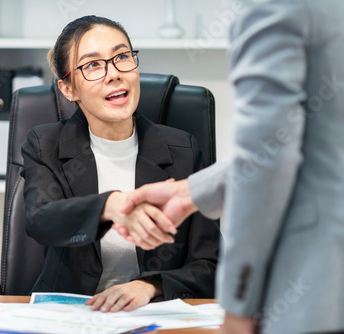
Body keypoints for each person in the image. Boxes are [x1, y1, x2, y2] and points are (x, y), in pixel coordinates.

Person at [119, 0, 344, 333]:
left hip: (318, 285)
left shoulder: (273, 5)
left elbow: (267, 156)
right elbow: (316, 145)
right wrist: (187, 192)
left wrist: (239, 306)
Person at [20, 15, 221, 313]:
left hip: (155, 315)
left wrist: (151, 285)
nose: (113, 74)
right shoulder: (44, 144)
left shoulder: (184, 151)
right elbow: (41, 221)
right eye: (92, 65)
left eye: (122, 57)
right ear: (68, 89)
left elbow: (212, 263)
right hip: (71, 316)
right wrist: (110, 206)